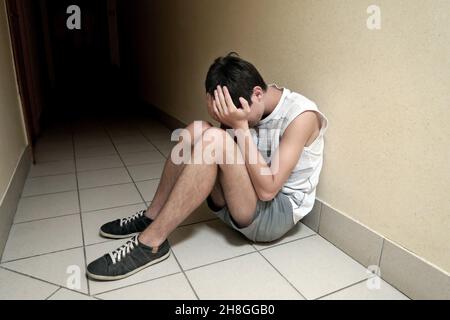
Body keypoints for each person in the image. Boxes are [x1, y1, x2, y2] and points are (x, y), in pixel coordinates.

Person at [86, 53, 328, 281]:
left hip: (275, 212)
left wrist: (240, 127)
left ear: (257, 93)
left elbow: (268, 191)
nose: (229, 123)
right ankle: (153, 216)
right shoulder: (250, 101)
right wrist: (225, 124)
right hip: (243, 201)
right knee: (196, 131)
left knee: (215, 139)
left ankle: (151, 243)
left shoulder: (301, 116)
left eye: (231, 117)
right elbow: (226, 150)